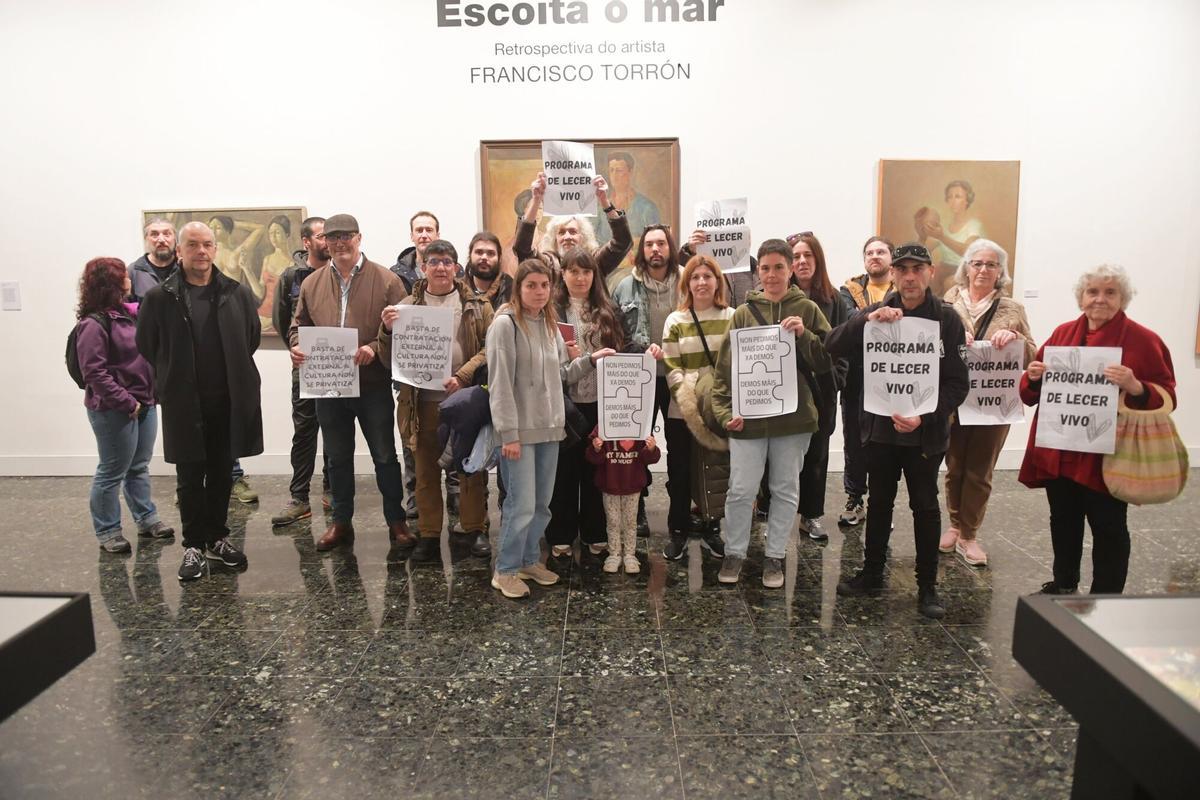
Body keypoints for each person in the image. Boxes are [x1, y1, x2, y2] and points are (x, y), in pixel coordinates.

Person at [828, 242, 969, 619]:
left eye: (917, 269)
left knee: (924, 505)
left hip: (925, 434)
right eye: (902, 269)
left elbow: (958, 384)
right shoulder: (876, 312)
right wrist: (864, 320)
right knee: (879, 504)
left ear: (930, 273)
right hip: (880, 430)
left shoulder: (948, 320)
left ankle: (927, 587)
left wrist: (925, 415)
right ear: (892, 273)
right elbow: (832, 344)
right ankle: (872, 573)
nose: (909, 276)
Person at [1019, 264, 1176, 595]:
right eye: (1093, 292)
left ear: (1123, 298)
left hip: (1108, 453)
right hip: (1061, 447)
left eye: (1110, 292)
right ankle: (1064, 582)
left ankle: (1107, 595)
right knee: (1063, 519)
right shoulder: (1063, 334)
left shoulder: (1143, 340)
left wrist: (1135, 385)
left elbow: (1167, 396)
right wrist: (1033, 376)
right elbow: (1031, 392)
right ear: (1081, 297)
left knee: (1109, 526)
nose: (1100, 299)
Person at [136, 222, 260, 581]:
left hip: (227, 401)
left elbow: (249, 339)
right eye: (193, 245)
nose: (201, 251)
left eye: (207, 244)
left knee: (222, 473)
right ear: (180, 250)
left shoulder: (235, 293)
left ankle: (217, 537)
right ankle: (193, 544)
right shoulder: (161, 297)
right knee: (189, 476)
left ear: (215, 249)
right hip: (185, 402)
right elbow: (148, 344)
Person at [288, 214, 414, 557]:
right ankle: (341, 522)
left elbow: (403, 334)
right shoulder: (312, 283)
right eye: (333, 237)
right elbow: (298, 325)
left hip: (372, 386)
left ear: (359, 238)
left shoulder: (388, 281)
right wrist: (296, 346)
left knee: (386, 457)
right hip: (329, 387)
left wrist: (374, 347)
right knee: (337, 458)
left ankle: (396, 520)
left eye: (346, 236)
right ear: (324, 242)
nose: (340, 242)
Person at [486, 258, 612, 598]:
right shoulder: (505, 325)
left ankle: (528, 559)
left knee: (542, 504)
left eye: (544, 285)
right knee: (521, 504)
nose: (539, 292)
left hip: (551, 430)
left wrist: (590, 359)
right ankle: (506, 570)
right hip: (519, 435)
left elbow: (560, 376)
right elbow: (499, 386)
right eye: (531, 285)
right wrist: (508, 435)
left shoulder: (550, 324)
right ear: (519, 288)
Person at [711, 240, 833, 588]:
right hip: (748, 421)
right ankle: (735, 551)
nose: (772, 274)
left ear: (791, 269)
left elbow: (827, 361)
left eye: (779, 267)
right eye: (765, 268)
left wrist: (804, 335)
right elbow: (723, 374)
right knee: (740, 489)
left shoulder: (807, 309)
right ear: (757, 273)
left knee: (785, 489)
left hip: (792, 421)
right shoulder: (742, 314)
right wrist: (724, 414)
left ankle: (775, 555)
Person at [379, 239, 493, 563]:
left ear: (456, 267)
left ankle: (474, 528)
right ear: (423, 267)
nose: (441, 268)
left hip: (466, 401)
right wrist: (386, 331)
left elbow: (491, 347)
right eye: (434, 262)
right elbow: (389, 360)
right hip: (421, 405)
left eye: (447, 262)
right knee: (426, 473)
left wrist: (466, 375)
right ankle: (429, 535)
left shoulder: (478, 305)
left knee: (470, 467)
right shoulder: (404, 308)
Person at [940, 239, 1035, 566]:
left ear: (1000, 272)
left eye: (990, 265)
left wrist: (1016, 340)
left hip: (994, 401)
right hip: (955, 399)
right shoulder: (947, 303)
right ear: (966, 268)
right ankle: (953, 524)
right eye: (977, 263)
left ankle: (969, 534)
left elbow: (1033, 355)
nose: (983, 269)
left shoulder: (1013, 309)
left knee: (980, 469)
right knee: (954, 466)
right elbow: (930, 348)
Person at [76, 257, 172, 553]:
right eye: (122, 275)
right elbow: (94, 372)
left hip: (144, 402)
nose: (129, 278)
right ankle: (108, 531)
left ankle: (147, 519)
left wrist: (149, 396)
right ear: (110, 283)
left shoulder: (130, 314)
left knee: (139, 466)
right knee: (112, 470)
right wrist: (126, 402)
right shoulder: (93, 324)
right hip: (113, 409)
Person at [547, 248, 627, 558]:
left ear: (594, 276)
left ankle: (595, 531)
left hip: (600, 402)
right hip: (565, 402)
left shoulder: (608, 309)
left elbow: (624, 346)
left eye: (586, 272)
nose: (580, 278)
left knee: (597, 472)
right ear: (563, 275)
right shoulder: (551, 311)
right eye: (573, 272)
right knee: (564, 473)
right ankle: (561, 533)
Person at [661, 254, 734, 561]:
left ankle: (711, 528)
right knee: (678, 472)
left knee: (714, 471)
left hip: (718, 412)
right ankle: (677, 531)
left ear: (717, 281)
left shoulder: (733, 316)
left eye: (707, 276)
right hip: (682, 414)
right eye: (695, 277)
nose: (701, 282)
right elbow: (671, 366)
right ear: (686, 283)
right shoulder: (675, 320)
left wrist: (715, 402)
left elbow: (734, 366)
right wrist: (691, 405)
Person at [612, 224, 682, 537]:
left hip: (680, 377)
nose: (655, 249)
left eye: (661, 244)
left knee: (681, 447)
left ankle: (680, 512)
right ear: (642, 250)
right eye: (650, 244)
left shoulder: (687, 281)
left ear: (670, 247)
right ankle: (637, 509)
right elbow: (614, 332)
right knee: (634, 446)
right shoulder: (625, 286)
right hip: (639, 378)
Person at [270, 217, 332, 526]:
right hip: (306, 368)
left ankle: (332, 491)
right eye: (322, 236)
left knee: (336, 431)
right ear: (307, 241)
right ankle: (299, 497)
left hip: (338, 368)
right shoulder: (291, 276)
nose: (328, 241)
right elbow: (282, 320)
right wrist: (295, 348)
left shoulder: (342, 272)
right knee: (305, 433)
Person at [787, 232, 848, 542]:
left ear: (817, 259)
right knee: (783, 454)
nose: (801, 261)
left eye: (807, 256)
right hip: (787, 387)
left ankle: (810, 515)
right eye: (795, 256)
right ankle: (777, 511)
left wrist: (837, 379)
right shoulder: (779, 296)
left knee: (817, 454)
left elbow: (844, 343)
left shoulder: (834, 299)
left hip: (822, 387)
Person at [836, 236, 895, 527]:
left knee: (885, 442)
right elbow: (848, 321)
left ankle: (881, 504)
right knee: (854, 441)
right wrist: (879, 313)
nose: (875, 256)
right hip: (856, 377)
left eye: (881, 252)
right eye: (870, 252)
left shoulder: (903, 289)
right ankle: (854, 497)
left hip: (893, 377)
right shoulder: (848, 291)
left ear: (891, 258)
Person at [514, 170, 632, 283]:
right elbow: (522, 249)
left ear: (583, 237)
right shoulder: (547, 264)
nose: (567, 237)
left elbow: (622, 242)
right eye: (561, 232)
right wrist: (536, 200)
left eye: (573, 232)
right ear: (554, 240)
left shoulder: (595, 261)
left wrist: (604, 201)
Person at [585, 431, 661, 573]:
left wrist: (651, 449)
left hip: (632, 484)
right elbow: (593, 458)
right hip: (609, 483)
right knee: (612, 521)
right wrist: (596, 448)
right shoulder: (603, 424)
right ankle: (614, 554)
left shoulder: (640, 425)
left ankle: (630, 555)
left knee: (630, 521)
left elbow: (649, 458)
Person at [594, 150, 662, 273]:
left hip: (638, 269)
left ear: (630, 173)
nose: (614, 175)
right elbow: (593, 241)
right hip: (605, 271)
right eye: (611, 170)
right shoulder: (600, 208)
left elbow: (656, 241)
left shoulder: (647, 207)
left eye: (619, 171)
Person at [918, 180, 986, 296]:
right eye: (950, 197)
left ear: (967, 200)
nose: (953, 201)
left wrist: (941, 236)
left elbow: (966, 251)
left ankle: (948, 313)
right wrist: (923, 233)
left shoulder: (974, 225)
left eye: (958, 197)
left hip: (967, 270)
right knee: (926, 277)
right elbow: (925, 249)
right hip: (945, 267)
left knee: (950, 283)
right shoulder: (944, 225)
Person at [391, 210, 444, 293]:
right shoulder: (395, 275)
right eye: (419, 230)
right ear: (412, 236)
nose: (424, 235)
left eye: (429, 230)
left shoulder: (453, 270)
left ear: (437, 236)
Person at [256, 215, 294, 330]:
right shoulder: (267, 259)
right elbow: (260, 292)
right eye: (270, 233)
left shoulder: (293, 263)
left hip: (282, 319)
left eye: (277, 232)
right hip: (262, 316)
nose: (273, 237)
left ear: (287, 234)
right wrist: (247, 269)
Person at [130, 217, 177, 301]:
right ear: (146, 239)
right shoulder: (133, 272)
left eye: (167, 234)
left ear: (175, 238)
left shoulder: (185, 268)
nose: (161, 240)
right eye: (154, 234)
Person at [463, 230, 513, 309]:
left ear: (499, 258)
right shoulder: (458, 288)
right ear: (470, 255)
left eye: (490, 253)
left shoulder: (511, 288)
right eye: (479, 252)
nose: (484, 257)